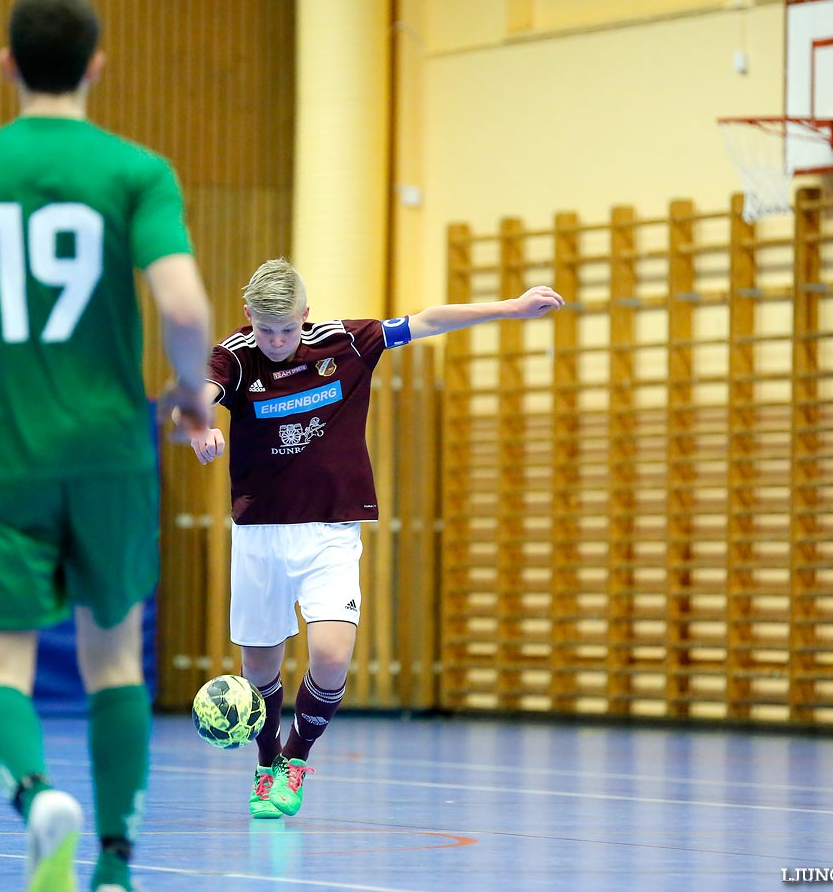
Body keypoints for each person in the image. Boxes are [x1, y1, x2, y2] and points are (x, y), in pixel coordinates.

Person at [0, 0, 213, 892]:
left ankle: (35, 799)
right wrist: (191, 392)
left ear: (7, 65)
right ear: (96, 66)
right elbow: (182, 303)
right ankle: (112, 865)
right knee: (113, 661)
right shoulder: (135, 171)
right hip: (110, 453)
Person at [186, 258, 563, 819]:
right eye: (266, 329)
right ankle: (265, 766)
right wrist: (200, 428)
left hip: (330, 531)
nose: (277, 340)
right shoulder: (237, 356)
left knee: (333, 657)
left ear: (305, 316)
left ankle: (295, 759)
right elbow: (197, 395)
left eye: (287, 329)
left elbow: (426, 322)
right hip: (260, 534)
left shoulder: (345, 344)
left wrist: (511, 307)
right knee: (261, 671)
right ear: (248, 318)